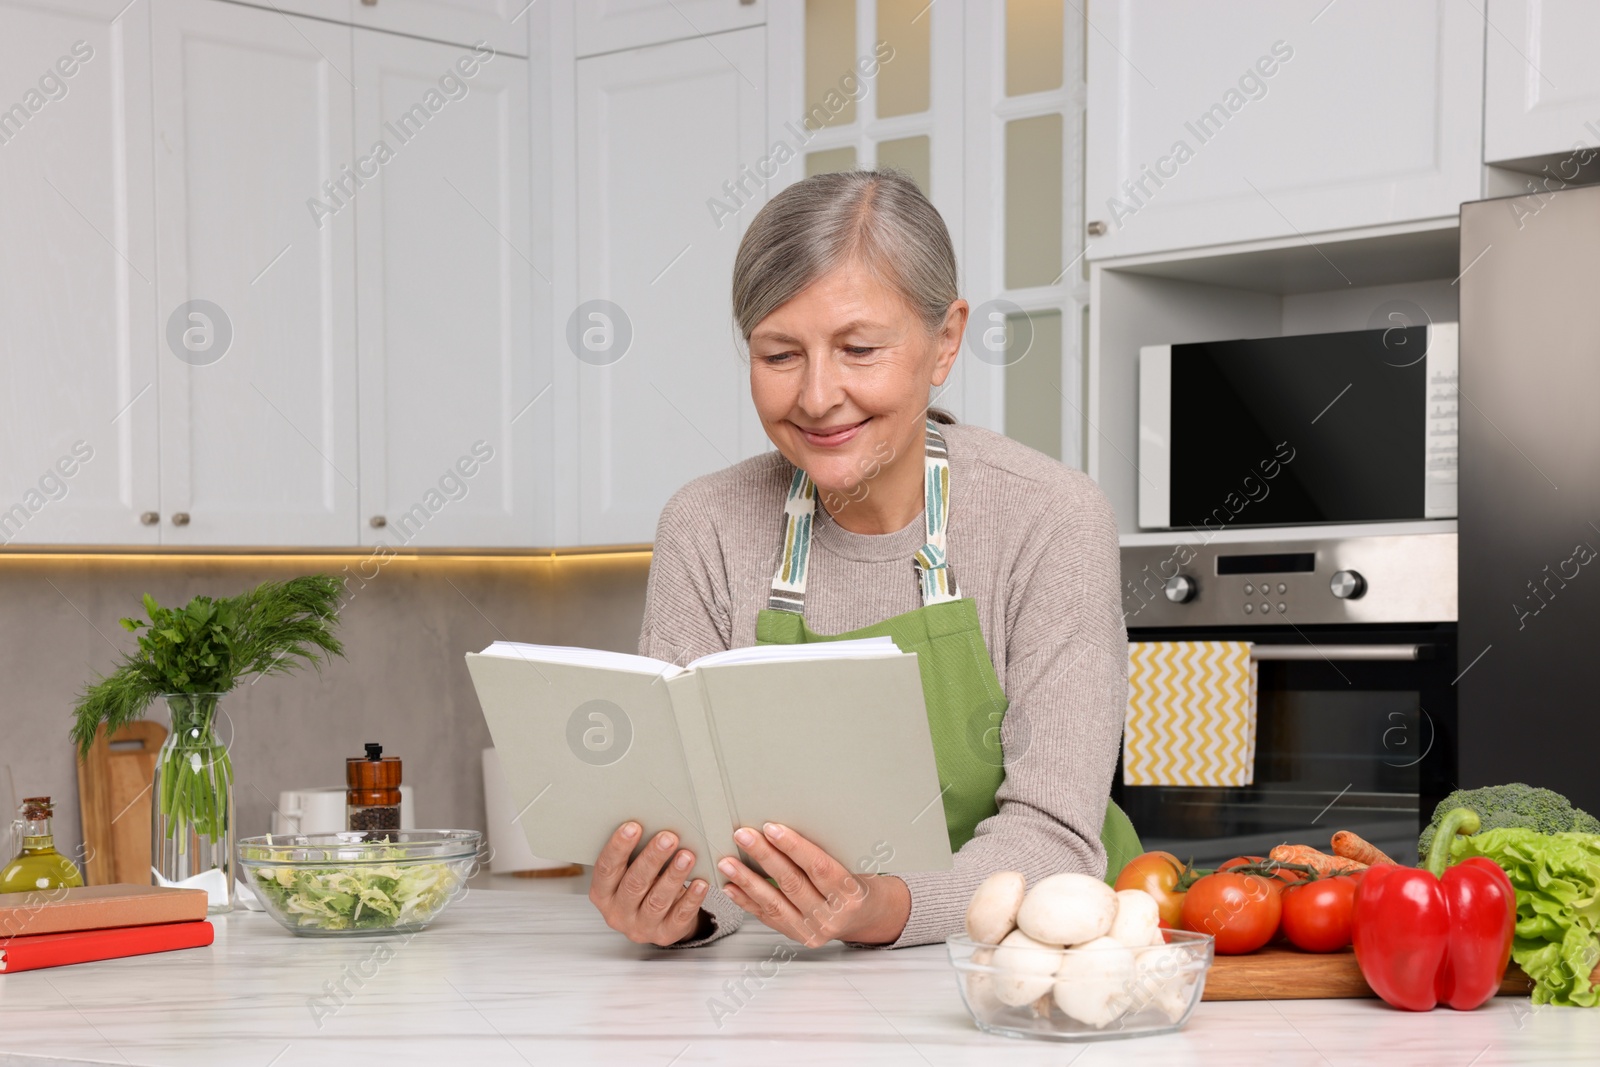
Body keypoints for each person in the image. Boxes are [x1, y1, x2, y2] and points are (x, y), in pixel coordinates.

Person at [588, 169, 1132, 949]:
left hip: (1037, 967)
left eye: (859, 348)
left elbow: (1053, 831)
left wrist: (880, 908)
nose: (816, 396)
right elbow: (695, 829)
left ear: (945, 341)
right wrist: (676, 906)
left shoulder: (1051, 517)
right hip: (794, 980)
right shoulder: (705, 525)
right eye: (779, 354)